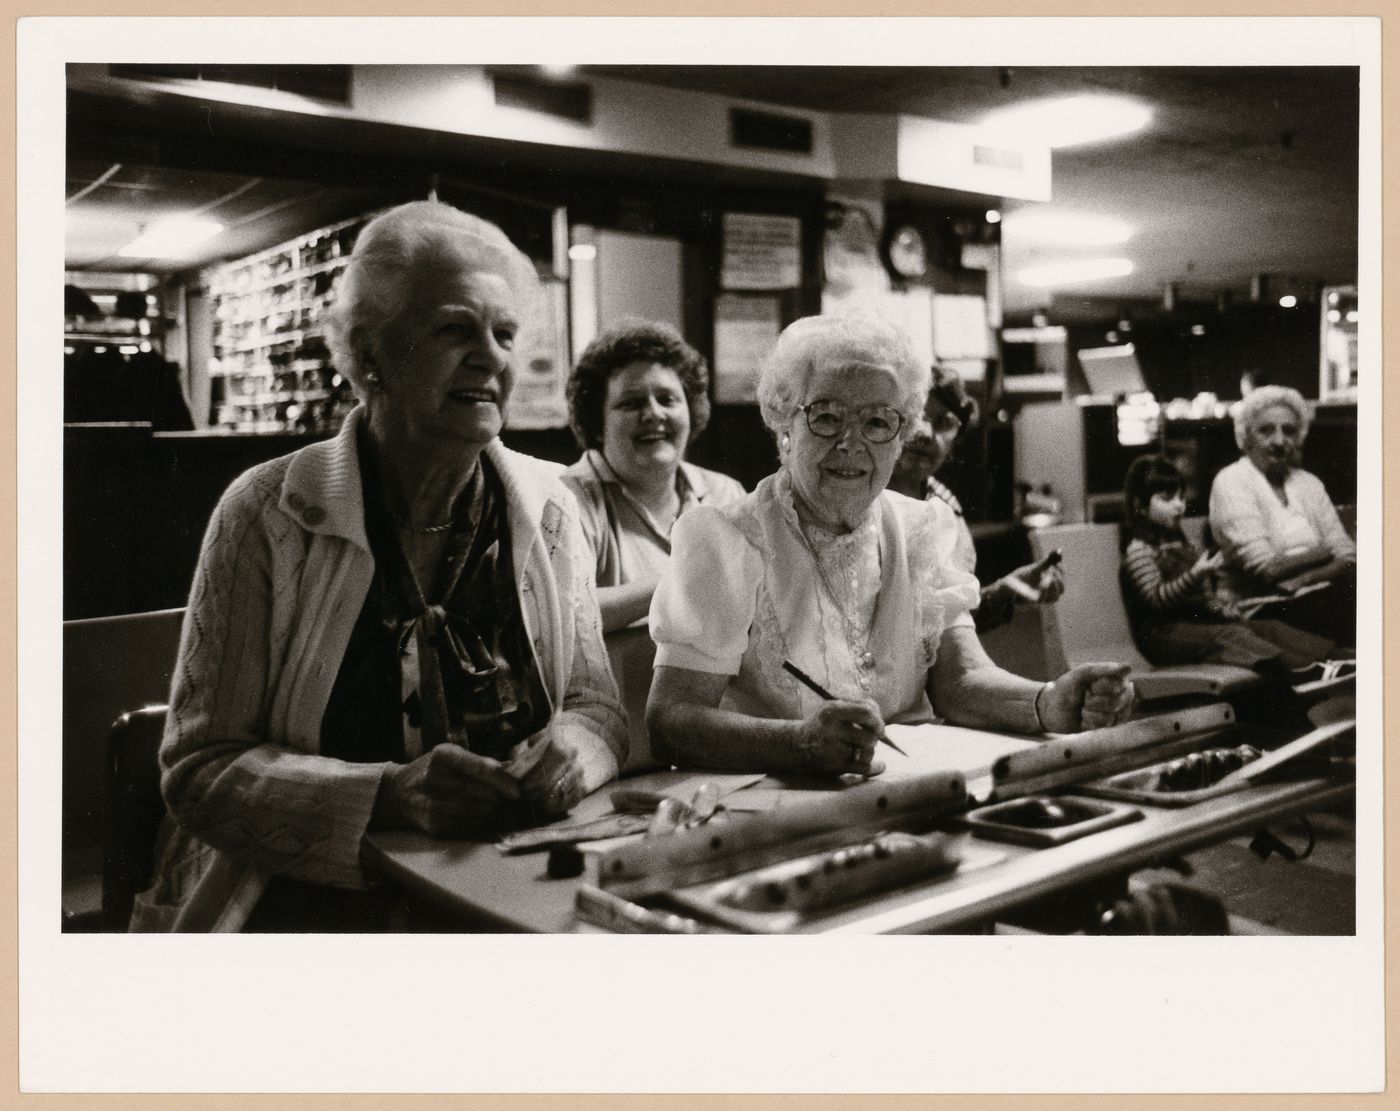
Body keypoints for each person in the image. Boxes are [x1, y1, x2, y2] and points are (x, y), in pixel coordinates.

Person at [131, 201, 626, 932]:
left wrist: (572, 756)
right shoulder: (266, 513)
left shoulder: (550, 505)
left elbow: (598, 709)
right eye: (455, 329)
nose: (491, 357)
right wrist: (387, 796)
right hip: (302, 910)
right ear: (371, 355)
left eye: (505, 333)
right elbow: (200, 768)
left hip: (503, 889)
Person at [646, 311, 1135, 778]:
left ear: (901, 436)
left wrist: (1047, 701)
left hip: (911, 787)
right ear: (784, 424)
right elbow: (670, 720)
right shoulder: (726, 539)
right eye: (826, 417)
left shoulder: (923, 530)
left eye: (878, 422)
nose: (851, 443)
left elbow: (961, 680)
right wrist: (797, 744)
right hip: (777, 807)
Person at [561, 319, 745, 632]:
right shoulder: (567, 499)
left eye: (667, 399)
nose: (653, 414)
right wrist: (678, 579)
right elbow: (564, 613)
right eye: (631, 403)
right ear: (597, 422)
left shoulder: (725, 493)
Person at [1120, 455, 1345, 683]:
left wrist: (1223, 609)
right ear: (1140, 506)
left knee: (1266, 627)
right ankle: (1301, 669)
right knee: (1229, 634)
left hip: (1194, 626)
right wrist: (1195, 574)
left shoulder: (1186, 547)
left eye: (1181, 497)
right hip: (1161, 637)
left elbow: (1205, 599)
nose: (1179, 505)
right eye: (1167, 499)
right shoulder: (1139, 551)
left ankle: (1334, 656)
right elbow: (1157, 599)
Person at [888, 366, 1064, 631]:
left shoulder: (946, 508)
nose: (926, 433)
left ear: (956, 440)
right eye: (914, 417)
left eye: (944, 423)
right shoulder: (858, 497)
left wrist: (1005, 590)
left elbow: (953, 621)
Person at [1209, 385, 1356, 646]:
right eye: (1266, 430)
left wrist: (1305, 578)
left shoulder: (1309, 483)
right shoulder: (1232, 481)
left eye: (1289, 431)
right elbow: (1268, 570)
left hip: (1318, 598)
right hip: (1259, 609)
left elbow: (1347, 556)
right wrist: (1323, 552)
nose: (1279, 441)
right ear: (1245, 437)